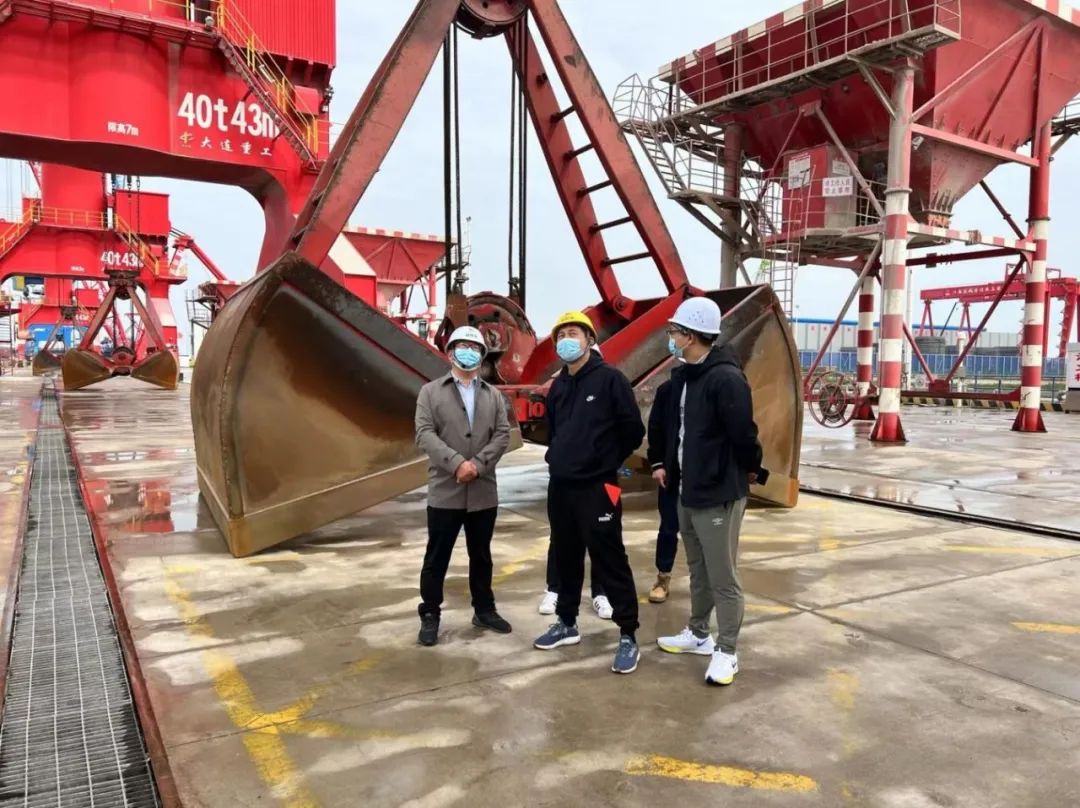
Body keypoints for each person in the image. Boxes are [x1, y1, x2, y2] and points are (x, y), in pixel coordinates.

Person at [655, 297, 769, 686]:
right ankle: (699, 633)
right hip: (687, 490)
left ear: (690, 336)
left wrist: (750, 470)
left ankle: (727, 651)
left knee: (723, 576)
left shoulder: (726, 379)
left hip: (718, 492)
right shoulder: (685, 376)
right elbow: (679, 432)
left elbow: (744, 436)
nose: (670, 337)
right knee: (698, 568)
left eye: (674, 331)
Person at [533, 311, 645, 674]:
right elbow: (553, 431)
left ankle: (628, 634)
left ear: (590, 340)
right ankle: (566, 623)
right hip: (562, 486)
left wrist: (604, 461)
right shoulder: (559, 386)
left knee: (610, 556)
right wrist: (559, 458)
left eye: (573, 333)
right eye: (561, 335)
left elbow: (633, 431)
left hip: (600, 485)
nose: (566, 340)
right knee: (565, 555)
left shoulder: (611, 380)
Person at [414, 325, 513, 647]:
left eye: (474, 347)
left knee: (481, 555)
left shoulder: (493, 395)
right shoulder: (430, 392)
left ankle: (484, 609)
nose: (468, 352)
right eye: (462, 346)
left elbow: (502, 434)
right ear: (450, 352)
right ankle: (430, 613)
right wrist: (457, 463)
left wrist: (478, 465)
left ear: (482, 355)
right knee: (436, 557)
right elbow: (424, 433)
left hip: (483, 492)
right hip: (446, 490)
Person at [646, 378, 680, 603]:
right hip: (673, 473)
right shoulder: (668, 390)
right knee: (668, 528)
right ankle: (663, 578)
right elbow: (655, 428)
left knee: (705, 534)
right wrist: (657, 464)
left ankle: (709, 582)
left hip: (704, 476)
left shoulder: (714, 385)